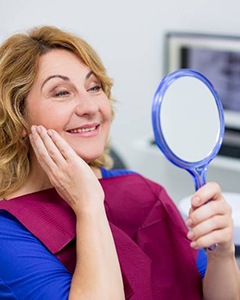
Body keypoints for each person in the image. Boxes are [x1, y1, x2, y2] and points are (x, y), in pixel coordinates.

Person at [0, 25, 239, 300]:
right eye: (62, 92)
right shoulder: (7, 231)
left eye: (94, 87)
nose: (90, 107)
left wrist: (223, 255)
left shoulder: (144, 192)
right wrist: (89, 206)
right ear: (18, 118)